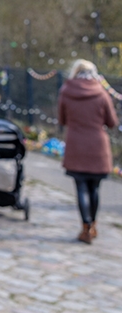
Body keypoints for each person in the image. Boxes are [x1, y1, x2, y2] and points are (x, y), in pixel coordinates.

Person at [58, 59, 118, 244]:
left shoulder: (66, 91)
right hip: (98, 147)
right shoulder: (101, 93)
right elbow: (112, 122)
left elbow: (62, 119)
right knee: (95, 188)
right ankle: (93, 225)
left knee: (81, 188)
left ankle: (85, 227)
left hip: (76, 145)